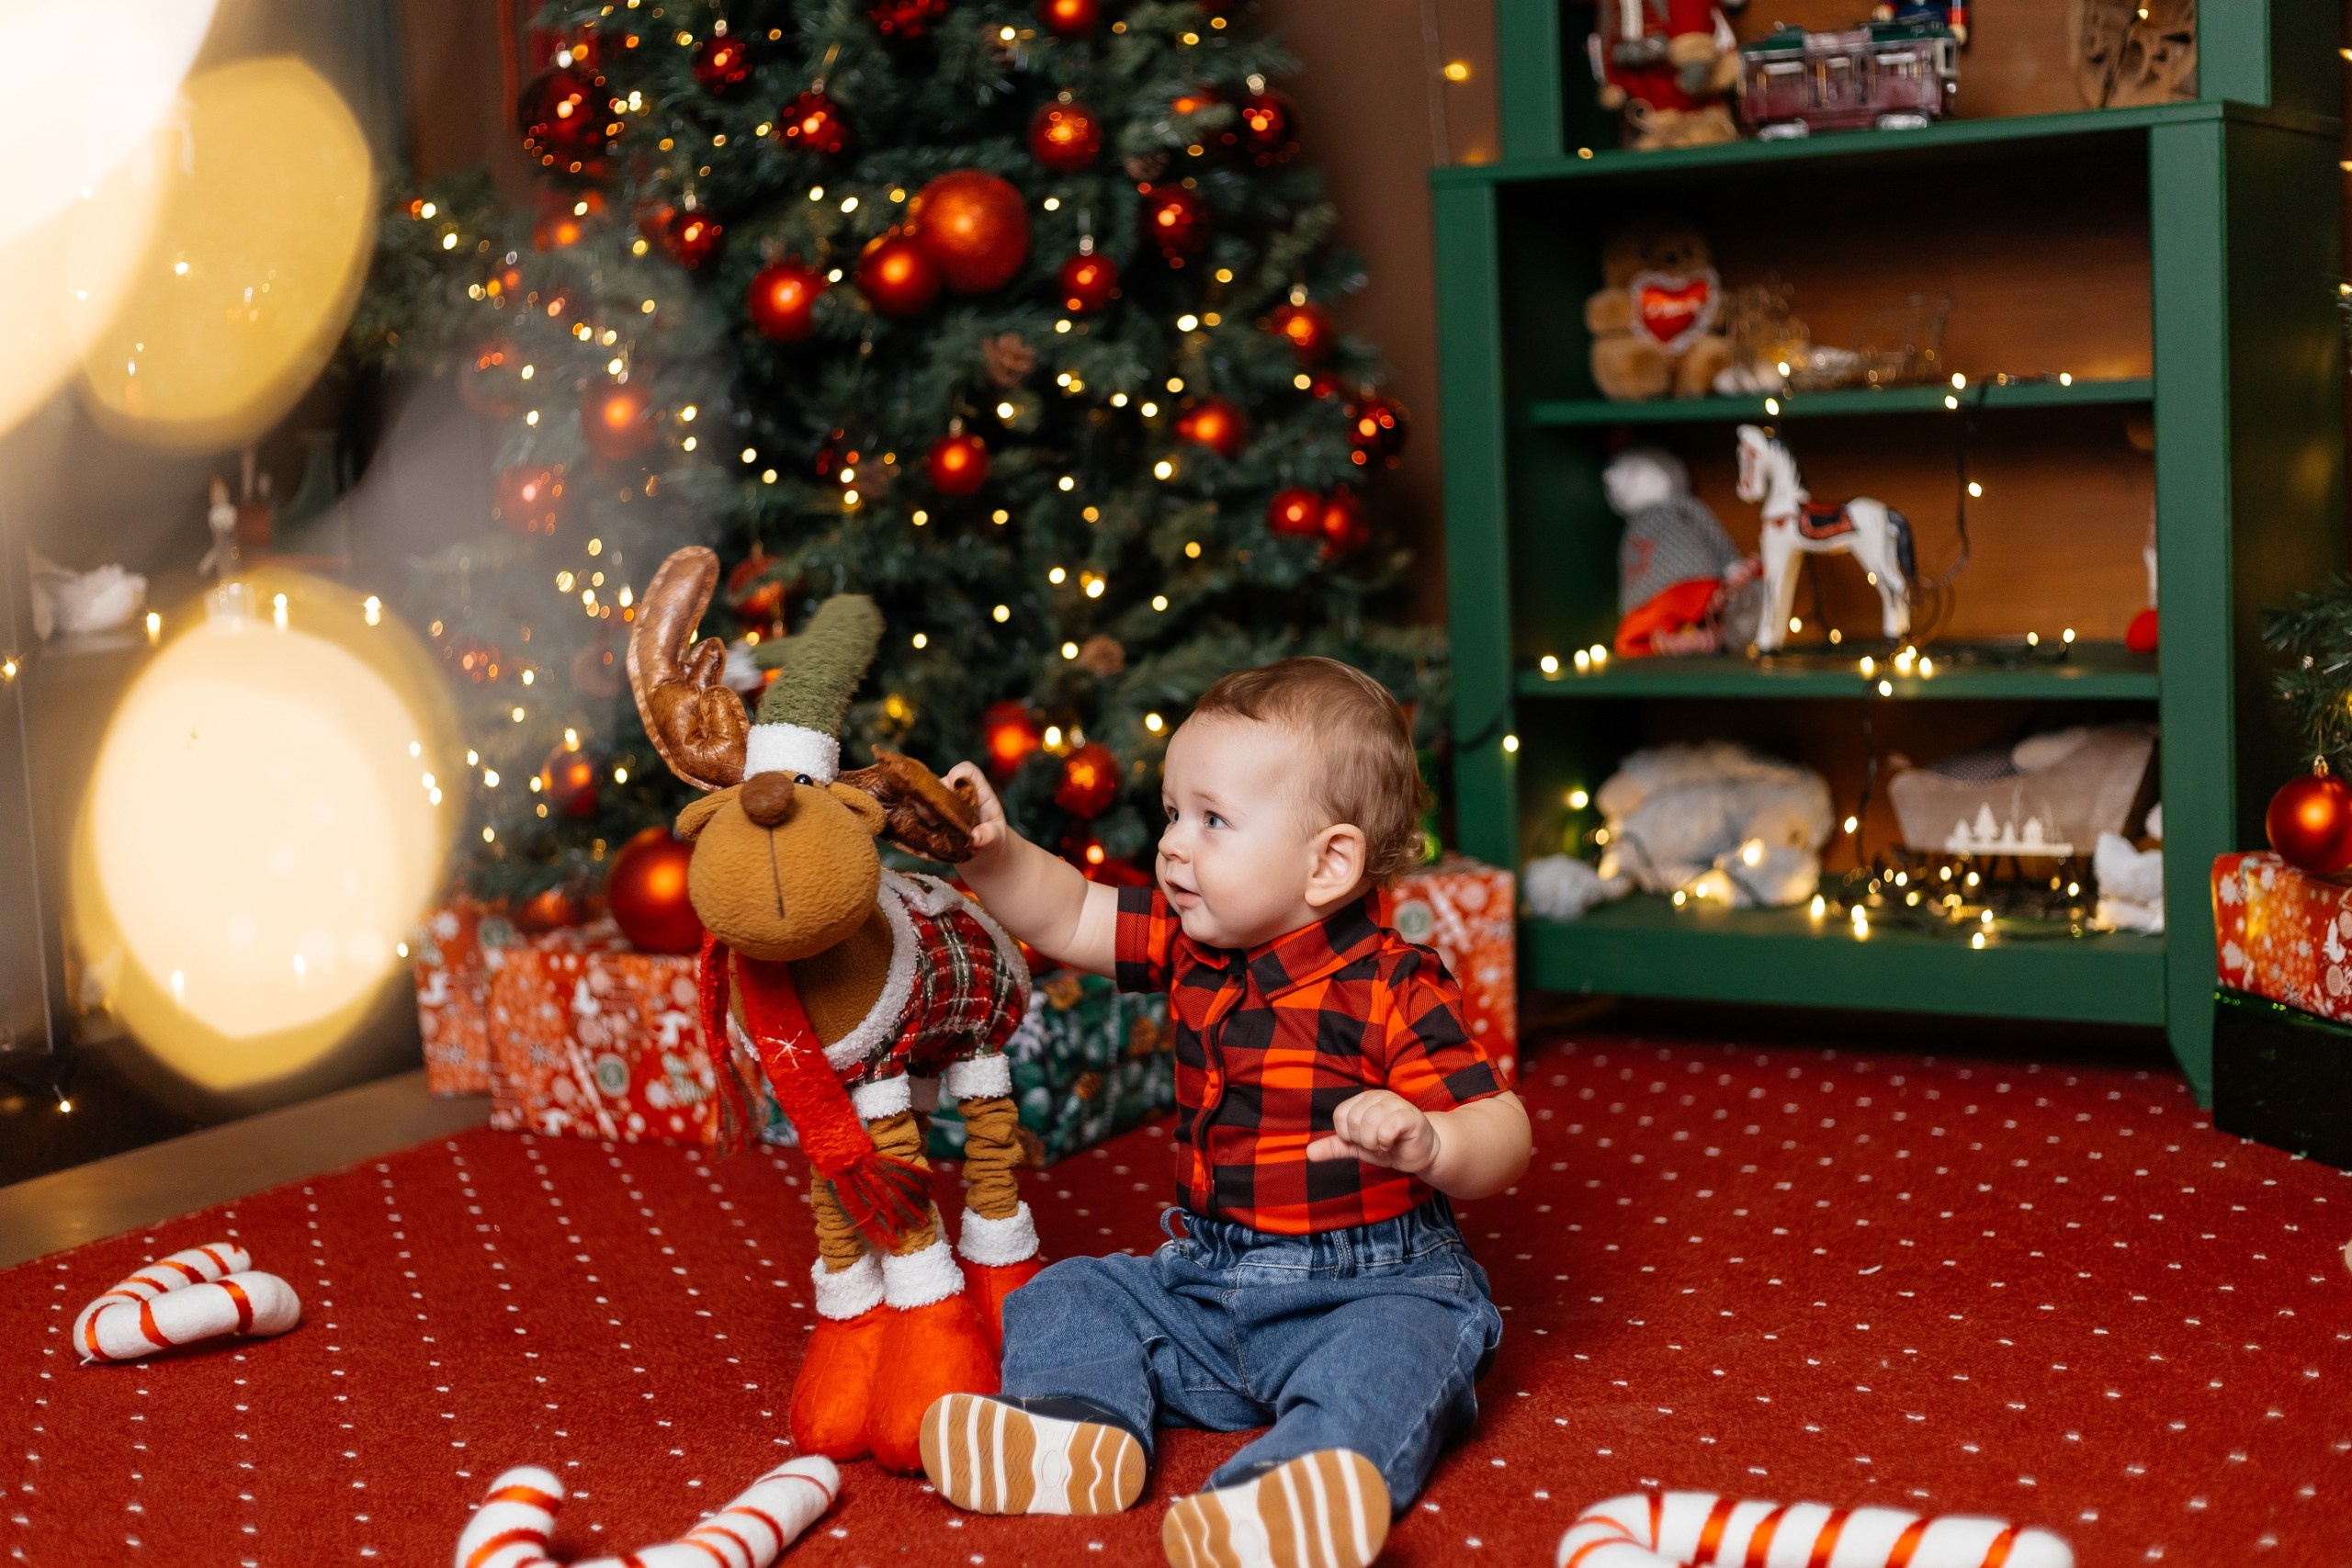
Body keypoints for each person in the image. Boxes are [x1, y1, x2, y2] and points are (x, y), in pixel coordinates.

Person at [923, 657, 1532, 1568]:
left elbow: (1505, 1134)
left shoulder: (1392, 986)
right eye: (1173, 813)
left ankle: (1288, 1491)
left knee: (1396, 1353)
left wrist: (1432, 1140)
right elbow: (1071, 916)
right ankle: (1076, 1432)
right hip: (1206, 1285)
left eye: (1211, 820)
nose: (1171, 844)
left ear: (1328, 862)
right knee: (1071, 1292)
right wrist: (996, 856)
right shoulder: (1187, 946)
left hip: (1369, 1285)